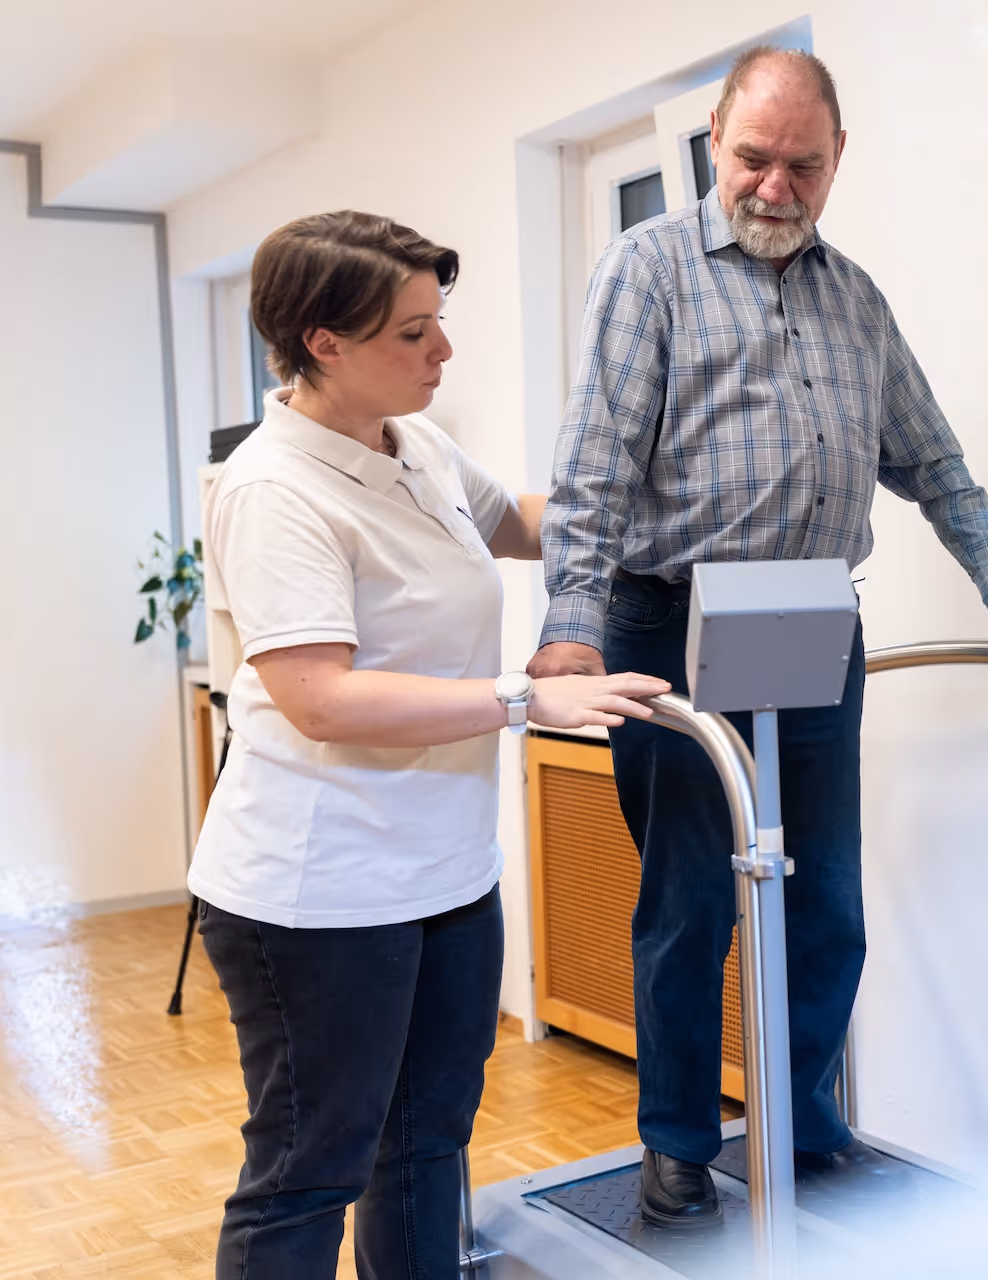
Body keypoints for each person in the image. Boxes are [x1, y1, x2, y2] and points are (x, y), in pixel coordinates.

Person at [530, 46, 988, 1227]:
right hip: (665, 616)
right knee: (690, 904)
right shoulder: (647, 271)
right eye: (754, 158)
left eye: (801, 165)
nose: (775, 186)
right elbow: (595, 467)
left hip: (814, 617)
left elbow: (936, 461)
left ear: (836, 160)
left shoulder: (855, 299)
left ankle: (804, 1125)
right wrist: (569, 635)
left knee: (825, 900)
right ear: (717, 139)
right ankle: (673, 1144)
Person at [191, 211, 670, 1278]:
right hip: (319, 890)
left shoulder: (418, 444)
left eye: (437, 322)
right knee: (310, 1167)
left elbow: (533, 524)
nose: (442, 352)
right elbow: (321, 697)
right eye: (414, 333)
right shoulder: (274, 489)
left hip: (445, 872)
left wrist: (681, 506)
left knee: (426, 1144)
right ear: (324, 339)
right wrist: (516, 699)